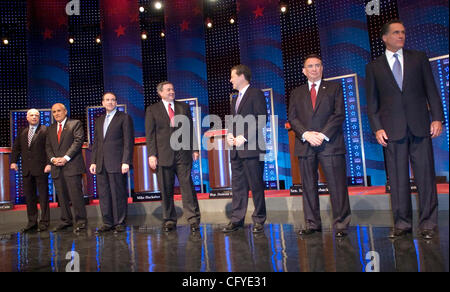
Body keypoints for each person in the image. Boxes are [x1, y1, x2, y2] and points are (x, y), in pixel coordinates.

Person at [365, 20, 444, 239]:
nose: (401, 36)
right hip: (392, 131)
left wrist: (437, 118)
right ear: (385, 37)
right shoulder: (374, 67)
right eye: (396, 32)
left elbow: (432, 90)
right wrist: (377, 128)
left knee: (426, 177)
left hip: (420, 126)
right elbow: (372, 103)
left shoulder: (418, 58)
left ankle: (428, 223)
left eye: (403, 32)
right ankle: (402, 224)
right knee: (398, 180)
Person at [288, 54, 351, 238]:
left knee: (337, 185)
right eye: (310, 66)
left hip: (330, 144)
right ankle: (312, 223)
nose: (314, 69)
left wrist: (322, 135)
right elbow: (292, 118)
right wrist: (306, 134)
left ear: (322, 68)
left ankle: (341, 224)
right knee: (308, 186)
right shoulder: (296, 92)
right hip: (305, 144)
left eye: (318, 65)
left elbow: (338, 114)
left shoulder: (334, 88)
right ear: (304, 71)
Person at [145, 81, 201, 233]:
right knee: (166, 188)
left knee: (187, 187)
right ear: (160, 92)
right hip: (163, 155)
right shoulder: (152, 109)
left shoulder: (183, 107)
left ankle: (193, 219)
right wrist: (151, 154)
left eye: (173, 89)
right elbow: (150, 135)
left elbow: (190, 129)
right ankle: (169, 219)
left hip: (183, 154)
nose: (172, 91)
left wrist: (195, 148)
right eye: (168, 89)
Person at [222, 64, 267, 234]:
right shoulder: (235, 98)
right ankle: (236, 219)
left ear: (241, 76)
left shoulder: (256, 94)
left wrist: (244, 137)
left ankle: (259, 219)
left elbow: (262, 119)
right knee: (238, 187)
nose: (230, 80)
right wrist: (229, 135)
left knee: (256, 185)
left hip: (252, 148)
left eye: (232, 76)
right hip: (236, 150)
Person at [89, 92, 134, 234]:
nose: (110, 102)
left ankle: (119, 222)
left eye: (113, 100)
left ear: (116, 102)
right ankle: (107, 222)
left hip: (117, 162)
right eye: (107, 100)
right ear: (102, 102)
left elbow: (128, 141)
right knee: (104, 194)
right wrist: (94, 161)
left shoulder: (124, 118)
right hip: (101, 163)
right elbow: (96, 143)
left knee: (118, 193)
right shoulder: (99, 120)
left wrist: (126, 161)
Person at [45, 103, 87, 232]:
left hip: (72, 166)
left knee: (76, 196)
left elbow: (78, 141)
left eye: (59, 111)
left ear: (65, 111)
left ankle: (80, 221)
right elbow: (48, 147)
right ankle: (66, 220)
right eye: (54, 112)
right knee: (61, 196)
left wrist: (65, 158)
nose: (56, 113)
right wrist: (52, 159)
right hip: (57, 167)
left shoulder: (75, 124)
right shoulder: (50, 128)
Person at [11, 109, 51, 232]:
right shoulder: (23, 131)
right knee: (29, 197)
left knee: (43, 197)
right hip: (26, 169)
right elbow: (16, 148)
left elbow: (50, 148)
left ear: (39, 117)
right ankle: (32, 222)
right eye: (31, 115)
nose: (34, 117)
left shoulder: (45, 130)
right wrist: (13, 161)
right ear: (27, 117)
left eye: (36, 115)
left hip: (41, 168)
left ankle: (44, 222)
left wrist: (49, 163)